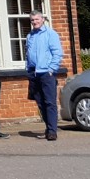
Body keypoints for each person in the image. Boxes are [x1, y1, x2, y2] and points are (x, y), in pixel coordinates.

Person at [26, 12, 64, 141]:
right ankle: (48, 128)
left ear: (42, 19)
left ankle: (52, 131)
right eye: (32, 20)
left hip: (46, 73)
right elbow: (28, 54)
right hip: (33, 73)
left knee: (49, 103)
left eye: (37, 19)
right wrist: (28, 69)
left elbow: (57, 53)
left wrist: (51, 69)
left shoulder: (50, 34)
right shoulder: (30, 36)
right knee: (41, 103)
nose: (34, 22)